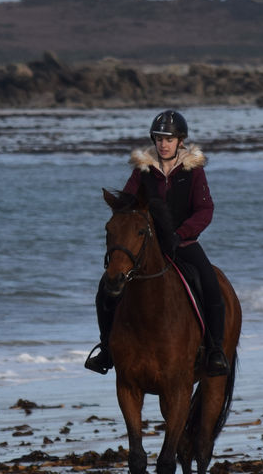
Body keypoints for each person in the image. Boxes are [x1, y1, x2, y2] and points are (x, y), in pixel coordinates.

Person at [85, 109, 230, 377]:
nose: (163, 144)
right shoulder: (143, 170)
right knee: (106, 288)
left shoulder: (193, 171)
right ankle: (106, 348)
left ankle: (215, 350)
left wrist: (181, 234)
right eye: (159, 139)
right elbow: (129, 206)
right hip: (147, 246)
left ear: (180, 142)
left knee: (209, 284)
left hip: (183, 244)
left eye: (169, 139)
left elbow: (204, 211)